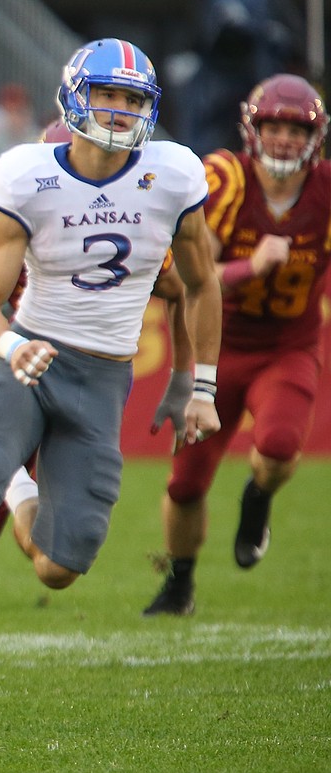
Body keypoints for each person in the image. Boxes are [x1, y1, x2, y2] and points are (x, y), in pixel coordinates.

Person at [0, 38, 223, 697]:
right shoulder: (23, 183)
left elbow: (194, 288)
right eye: (107, 95)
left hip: (100, 377)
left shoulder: (172, 176)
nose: (120, 111)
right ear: (72, 104)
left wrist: (193, 383)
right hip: (23, 358)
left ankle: (15, 486)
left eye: (132, 99)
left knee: (58, 568)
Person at [0, 122, 198, 666]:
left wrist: (186, 373)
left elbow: (181, 289)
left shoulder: (133, 212)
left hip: (87, 379)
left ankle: (16, 489)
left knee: (53, 560)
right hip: (16, 372)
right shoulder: (13, 208)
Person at [143, 73, 331, 616]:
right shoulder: (224, 179)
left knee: (277, 448)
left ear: (315, 138)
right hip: (217, 347)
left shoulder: (324, 192)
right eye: (274, 126)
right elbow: (188, 280)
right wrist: (253, 266)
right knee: (185, 483)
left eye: (297, 130)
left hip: (287, 347)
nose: (285, 140)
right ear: (253, 129)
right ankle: (179, 584)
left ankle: (258, 497)